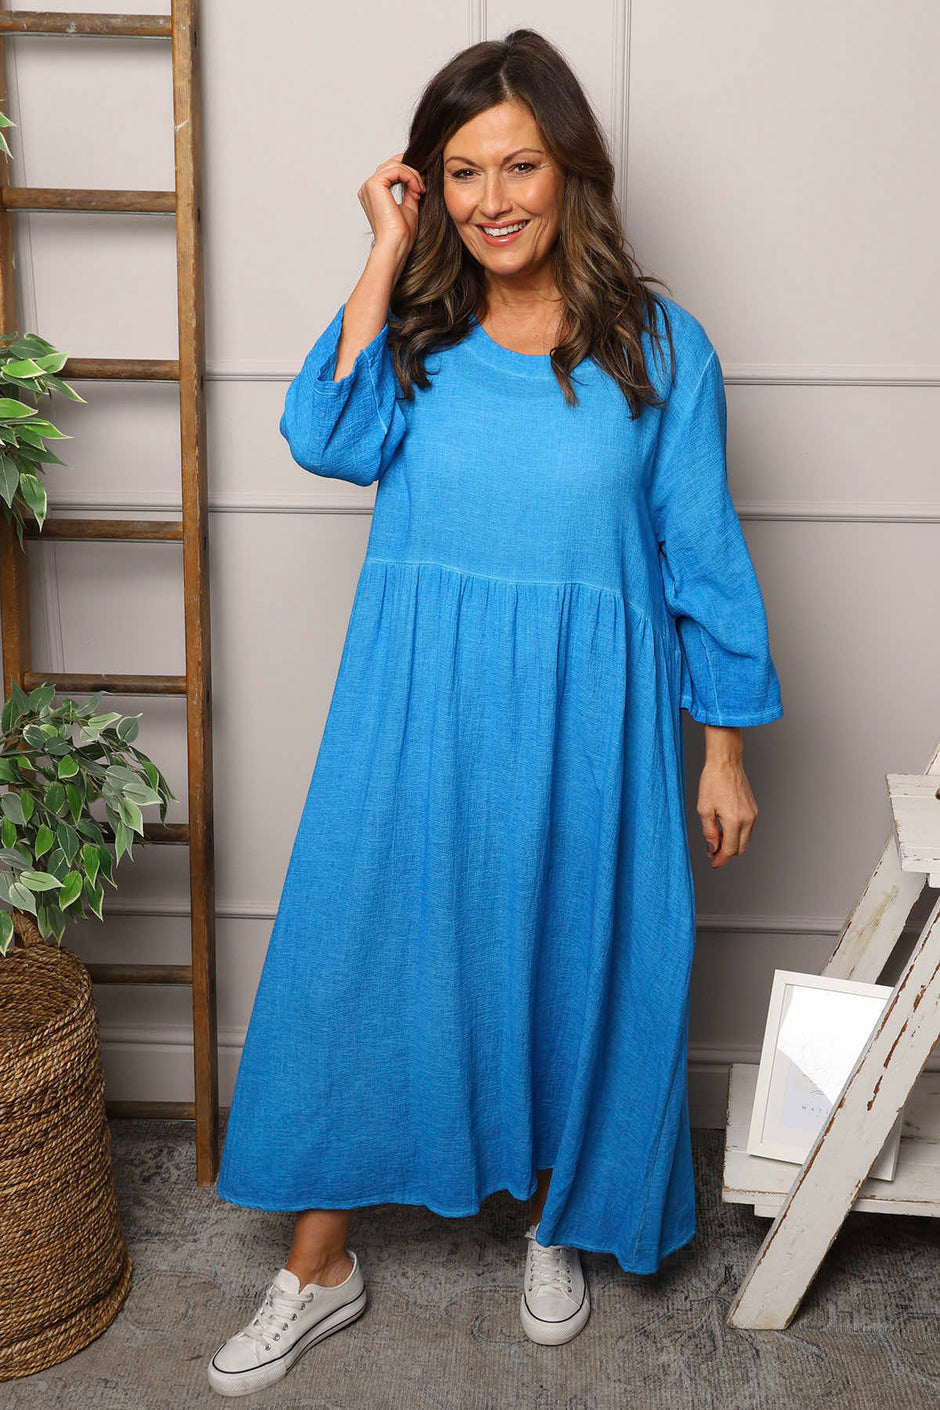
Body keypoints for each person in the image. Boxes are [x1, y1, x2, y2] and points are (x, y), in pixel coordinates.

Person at [206, 27, 783, 1399]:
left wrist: (724, 748)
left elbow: (702, 553)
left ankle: (558, 1219)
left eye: (519, 164)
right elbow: (322, 436)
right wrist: (384, 248)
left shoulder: (658, 346)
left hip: (593, 716)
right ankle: (318, 1266)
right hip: (418, 703)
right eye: (460, 172)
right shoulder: (414, 333)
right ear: (430, 185)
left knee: (581, 954)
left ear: (572, 167)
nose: (493, 198)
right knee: (363, 948)